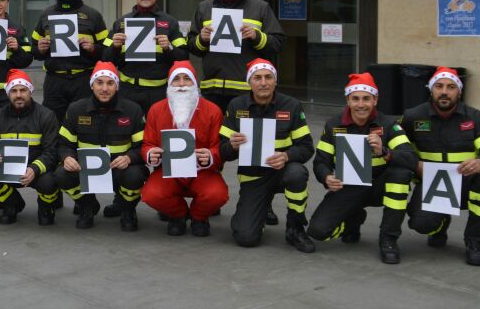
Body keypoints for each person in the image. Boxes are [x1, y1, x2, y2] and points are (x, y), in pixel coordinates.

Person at [307, 73, 417, 264]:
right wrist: (326, 177)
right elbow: (320, 162)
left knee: (401, 174)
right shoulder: (333, 125)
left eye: (366, 98)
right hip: (349, 187)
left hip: (381, 186)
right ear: (348, 100)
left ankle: (388, 239)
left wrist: (384, 151)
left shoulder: (389, 124)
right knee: (317, 232)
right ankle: (354, 217)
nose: (360, 104)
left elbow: (409, 157)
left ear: (375, 100)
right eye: (355, 99)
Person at [402, 67, 480, 266]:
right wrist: (415, 164)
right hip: (433, 183)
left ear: (459, 91)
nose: (444, 92)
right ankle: (440, 223)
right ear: (431, 90)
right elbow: (399, 149)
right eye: (439, 86)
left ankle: (475, 241)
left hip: (467, 182)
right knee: (420, 224)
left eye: (451, 87)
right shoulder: (413, 116)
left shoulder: (475, 118)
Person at [221, 59, 315, 252]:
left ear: (275, 81)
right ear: (249, 82)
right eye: (257, 78)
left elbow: (306, 147)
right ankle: (259, 212)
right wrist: (232, 146)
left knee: (297, 174)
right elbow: (222, 151)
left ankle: (295, 227)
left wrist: (287, 156)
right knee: (245, 237)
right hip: (253, 176)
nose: (263, 82)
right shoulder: (236, 106)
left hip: (283, 172)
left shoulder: (292, 105)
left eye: (268, 77)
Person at [55, 62, 147, 231]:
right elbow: (63, 144)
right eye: (100, 82)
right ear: (92, 85)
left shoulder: (133, 110)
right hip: (86, 170)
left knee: (136, 175)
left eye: (110, 83)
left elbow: (143, 146)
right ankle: (87, 205)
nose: (105, 88)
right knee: (62, 174)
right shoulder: (76, 109)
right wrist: (67, 157)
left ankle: (127, 208)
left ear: (117, 86)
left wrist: (129, 158)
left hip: (120, 170)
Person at [140, 61, 228, 237]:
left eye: (186, 79)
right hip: (168, 171)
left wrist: (211, 155)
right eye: (176, 80)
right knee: (151, 194)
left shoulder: (213, 111)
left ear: (195, 83)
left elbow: (219, 147)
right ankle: (178, 215)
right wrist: (151, 154)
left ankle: (199, 217)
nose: (181, 85)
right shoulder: (156, 110)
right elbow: (147, 143)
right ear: (169, 84)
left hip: (202, 172)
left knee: (218, 194)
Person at [187, 0, 286, 113]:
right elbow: (192, 46)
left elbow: (278, 44)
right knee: (216, 136)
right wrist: (202, 40)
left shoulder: (260, 7)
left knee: (242, 136)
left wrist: (257, 37)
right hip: (212, 90)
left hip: (247, 90)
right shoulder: (204, 7)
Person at [0, 69, 61, 225]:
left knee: (50, 182)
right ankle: (12, 204)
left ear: (30, 91)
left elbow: (52, 151)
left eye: (23, 90)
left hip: (35, 171)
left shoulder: (46, 115)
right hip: (7, 171)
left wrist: (34, 169)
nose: (18, 95)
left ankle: (45, 206)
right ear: (8, 93)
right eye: (14, 91)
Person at [102, 0, 188, 116]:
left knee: (155, 132)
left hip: (158, 92)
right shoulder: (121, 22)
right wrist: (115, 47)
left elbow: (183, 57)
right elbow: (105, 58)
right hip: (127, 90)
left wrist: (169, 47)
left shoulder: (169, 22)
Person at [31, 0, 108, 122]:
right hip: (54, 81)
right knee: (52, 123)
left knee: (84, 122)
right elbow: (33, 50)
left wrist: (93, 48)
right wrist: (40, 49)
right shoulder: (46, 14)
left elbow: (107, 51)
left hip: (83, 79)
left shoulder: (93, 15)